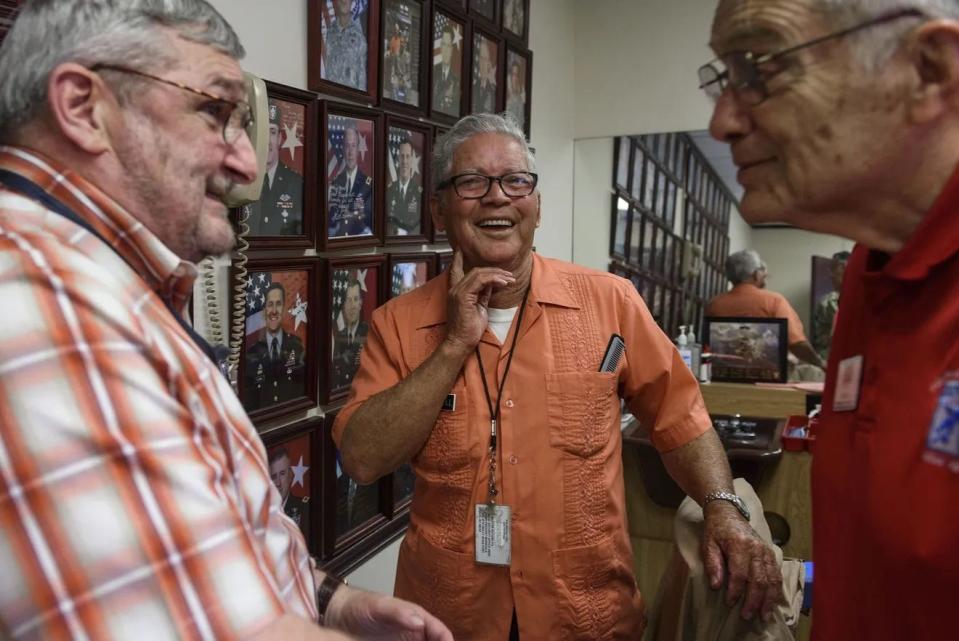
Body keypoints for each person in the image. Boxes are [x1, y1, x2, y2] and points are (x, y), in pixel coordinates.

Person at [0, 2, 452, 640]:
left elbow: (202, 526)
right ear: (81, 106)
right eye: (215, 112)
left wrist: (325, 598)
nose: (247, 165)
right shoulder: (47, 304)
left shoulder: (107, 286)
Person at [332, 113, 783, 640]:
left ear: (537, 206)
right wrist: (454, 344)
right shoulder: (399, 324)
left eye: (516, 181)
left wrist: (722, 509)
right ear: (439, 209)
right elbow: (363, 459)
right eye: (472, 182)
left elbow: (679, 414)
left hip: (587, 616)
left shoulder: (610, 302)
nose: (497, 197)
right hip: (449, 620)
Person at [702, 1, 959, 638]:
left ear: (930, 71)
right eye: (723, 78)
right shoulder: (875, 275)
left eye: (759, 66)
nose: (722, 121)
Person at [706, 249, 824, 369]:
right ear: (756, 274)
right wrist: (820, 363)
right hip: (766, 376)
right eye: (762, 270)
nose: (765, 274)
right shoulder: (774, 301)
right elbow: (796, 344)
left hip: (722, 375)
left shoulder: (715, 304)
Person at [244, 281, 306, 410]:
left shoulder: (296, 346)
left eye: (278, 304)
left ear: (283, 309)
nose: (274, 311)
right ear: (264, 310)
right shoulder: (252, 353)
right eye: (270, 304)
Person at [247, 103, 303, 236]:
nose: (267, 140)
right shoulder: (241, 179)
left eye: (272, 132)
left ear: (279, 139)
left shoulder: (295, 183)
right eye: (263, 132)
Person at [328, 125, 373, 237]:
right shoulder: (336, 182)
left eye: (353, 146)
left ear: (358, 149)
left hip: (359, 239)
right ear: (342, 148)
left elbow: (368, 216)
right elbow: (332, 217)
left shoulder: (368, 184)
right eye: (347, 146)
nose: (350, 152)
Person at [810, 251, 850, 361]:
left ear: (845, 269)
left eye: (834, 269)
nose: (831, 275)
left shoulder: (857, 298)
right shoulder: (828, 302)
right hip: (829, 359)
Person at [332, 279, 370, 390]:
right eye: (348, 300)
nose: (352, 305)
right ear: (343, 304)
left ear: (361, 303)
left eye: (356, 299)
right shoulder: (337, 336)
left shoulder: (369, 333)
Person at [323, 0, 367, 90]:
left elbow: (362, 77)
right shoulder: (330, 32)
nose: (343, 1)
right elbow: (327, 67)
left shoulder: (359, 36)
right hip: (330, 95)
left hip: (350, 98)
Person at [269, 446, 311, 536]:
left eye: (282, 474)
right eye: (274, 476)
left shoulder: (305, 508)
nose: (278, 483)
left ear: (291, 475)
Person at [387, 138, 422, 235]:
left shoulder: (419, 193)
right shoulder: (390, 191)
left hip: (411, 243)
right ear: (398, 158)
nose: (404, 161)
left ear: (411, 159)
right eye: (402, 156)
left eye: (407, 156)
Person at [431, 22, 460, 115]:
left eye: (448, 46)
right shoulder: (432, 72)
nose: (446, 50)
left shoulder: (456, 79)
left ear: (452, 48)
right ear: (440, 47)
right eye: (444, 44)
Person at [471, 37, 496, 114]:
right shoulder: (473, 88)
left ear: (489, 63)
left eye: (485, 59)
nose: (483, 63)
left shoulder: (494, 91)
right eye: (481, 58)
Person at [505, 58, 526, 129]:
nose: (515, 78)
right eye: (513, 74)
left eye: (517, 75)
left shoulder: (519, 100)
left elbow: (520, 124)